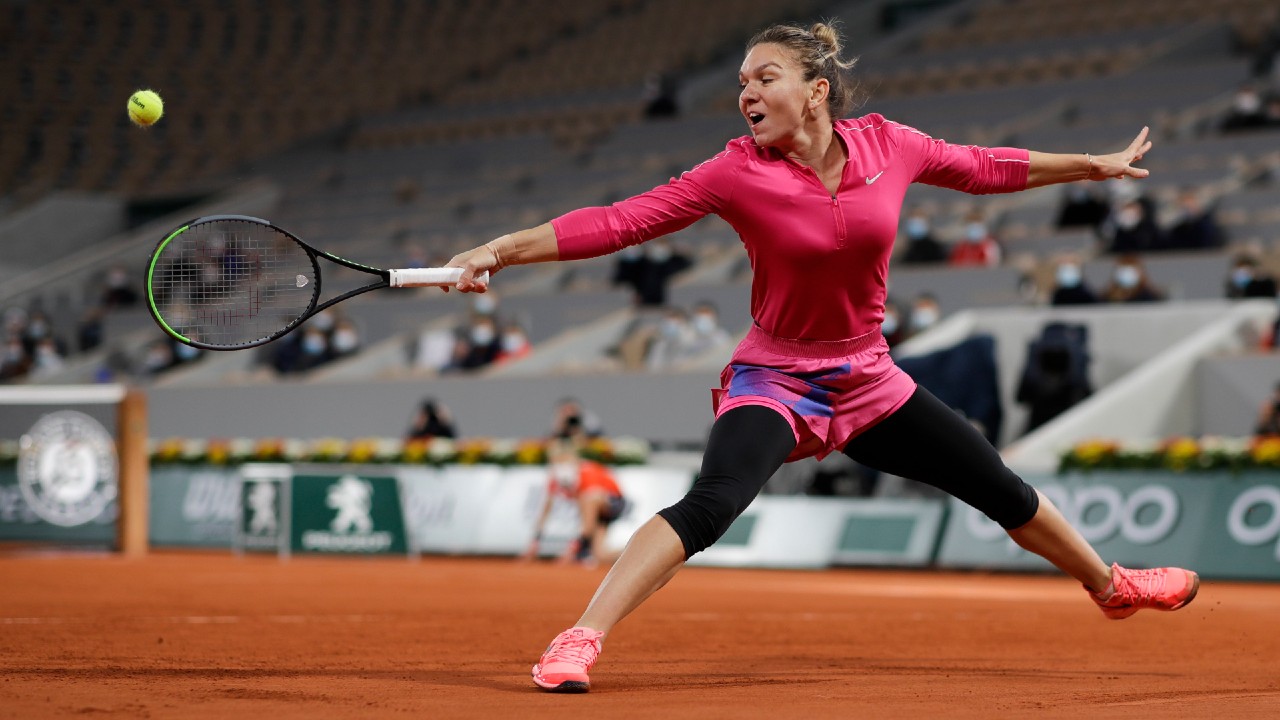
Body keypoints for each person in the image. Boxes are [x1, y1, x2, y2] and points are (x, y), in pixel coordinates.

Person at [443, 22, 1199, 693]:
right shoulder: (736, 169)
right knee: (714, 504)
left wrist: (1090, 166)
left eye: (763, 76)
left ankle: (1111, 584)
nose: (746, 91)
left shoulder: (889, 145)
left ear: (816, 89)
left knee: (994, 483)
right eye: (740, 82)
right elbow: (618, 222)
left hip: (869, 376)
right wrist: (501, 250)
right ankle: (579, 638)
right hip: (777, 375)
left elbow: (984, 167)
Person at [523, 439, 628, 568]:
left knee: (589, 498)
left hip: (611, 503)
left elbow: (588, 519)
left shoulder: (587, 473)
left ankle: (580, 550)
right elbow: (546, 509)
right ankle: (635, 551)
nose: (561, 466)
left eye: (564, 461)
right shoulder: (556, 478)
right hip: (595, 511)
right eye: (557, 462)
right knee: (601, 556)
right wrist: (535, 540)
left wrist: (572, 549)